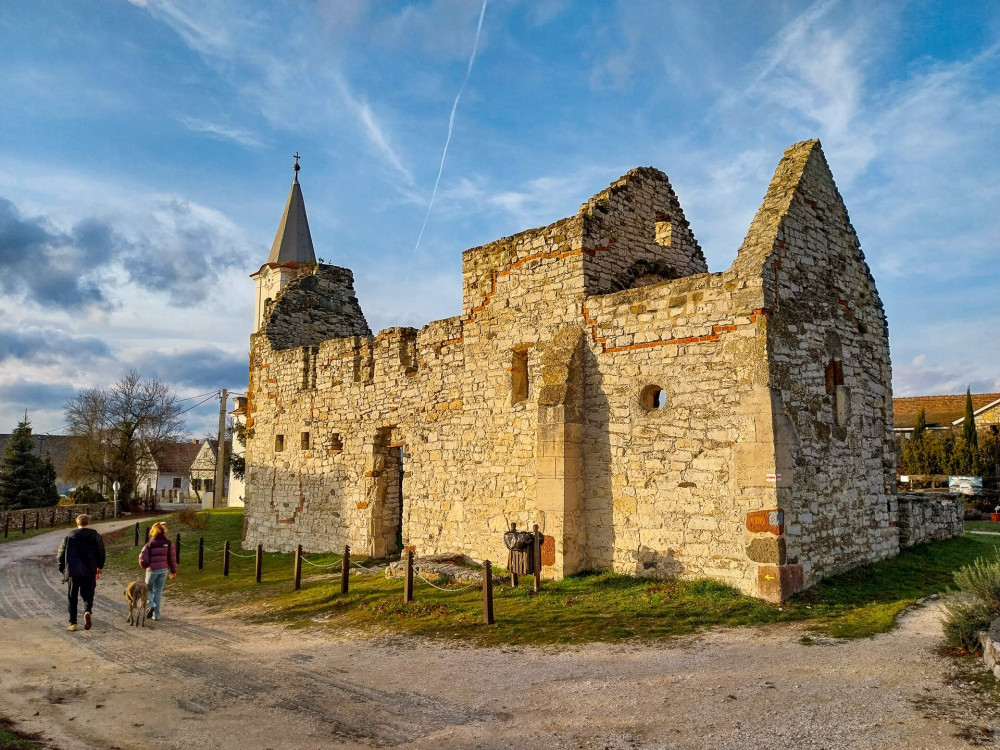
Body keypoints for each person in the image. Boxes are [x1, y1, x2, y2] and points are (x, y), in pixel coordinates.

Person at [57, 514, 106, 632]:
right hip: (89, 570)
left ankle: (73, 623)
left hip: (73, 571)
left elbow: (60, 554)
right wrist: (99, 566)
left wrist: (62, 568)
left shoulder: (69, 537)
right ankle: (87, 611)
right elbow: (101, 552)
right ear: (88, 522)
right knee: (88, 595)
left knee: (72, 596)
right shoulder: (95, 536)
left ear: (77, 523)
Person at [139, 522, 177, 621]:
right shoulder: (169, 543)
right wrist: (173, 571)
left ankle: (150, 604)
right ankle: (156, 615)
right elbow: (172, 559)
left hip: (152, 570)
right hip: (163, 570)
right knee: (158, 591)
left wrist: (146, 566)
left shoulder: (150, 544)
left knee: (148, 589)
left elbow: (142, 558)